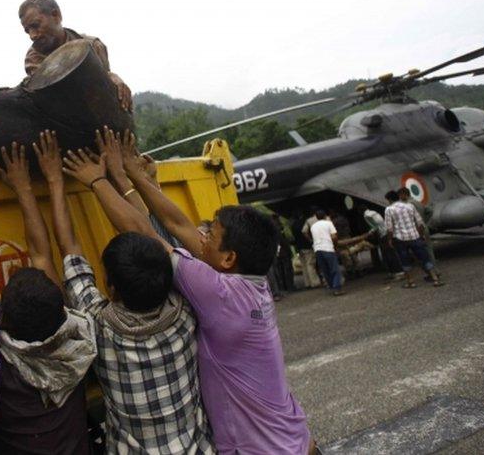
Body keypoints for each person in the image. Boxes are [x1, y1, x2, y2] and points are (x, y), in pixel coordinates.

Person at [69, 128, 314, 455]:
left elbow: (141, 232)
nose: (201, 237)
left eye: (210, 235)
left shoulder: (219, 293)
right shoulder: (253, 285)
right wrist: (133, 173)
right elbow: (179, 225)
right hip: (294, 437)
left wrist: (97, 180)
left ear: (228, 258)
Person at [36, 130, 214, 453]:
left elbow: (69, 247)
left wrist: (54, 180)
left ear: (110, 288)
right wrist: (115, 177)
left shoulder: (98, 326)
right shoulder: (189, 308)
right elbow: (147, 229)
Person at [0, 143, 97, 454]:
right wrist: (30, 186)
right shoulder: (78, 343)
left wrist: (21, 187)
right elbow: (40, 254)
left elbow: (39, 255)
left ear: (4, 320)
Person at [18, 0, 133, 112]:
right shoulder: (33, 60)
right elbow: (57, 96)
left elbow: (104, 89)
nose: (32, 36)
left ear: (56, 15)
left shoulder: (93, 45)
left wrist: (112, 78)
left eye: (36, 25)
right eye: (27, 31)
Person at [386, 188, 444, 288]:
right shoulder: (410, 206)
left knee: (404, 260)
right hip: (414, 236)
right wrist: (421, 235)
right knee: (424, 258)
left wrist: (390, 239)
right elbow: (420, 223)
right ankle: (435, 279)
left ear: (390, 200)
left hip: (400, 239)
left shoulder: (389, 209)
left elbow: (389, 228)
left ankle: (411, 282)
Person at [310, 209, 345, 296]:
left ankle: (331, 286)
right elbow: (334, 236)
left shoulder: (313, 226)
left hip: (317, 249)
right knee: (335, 269)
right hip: (328, 248)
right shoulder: (328, 223)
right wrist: (336, 244)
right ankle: (337, 289)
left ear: (317, 217)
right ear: (325, 216)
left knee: (325, 270)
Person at [295, 209, 323, 288]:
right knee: (310, 264)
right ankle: (314, 282)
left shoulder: (293, 224)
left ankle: (307, 283)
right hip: (307, 246)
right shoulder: (304, 222)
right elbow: (305, 232)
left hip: (299, 247)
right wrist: (311, 241)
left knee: (304, 266)